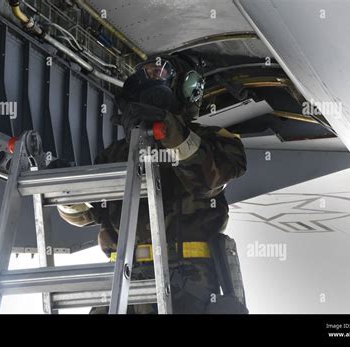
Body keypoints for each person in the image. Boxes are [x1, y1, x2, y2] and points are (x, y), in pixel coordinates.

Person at [57, 54, 248, 314]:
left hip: (189, 285)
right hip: (123, 287)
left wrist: (169, 131)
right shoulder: (115, 154)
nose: (153, 78)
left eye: (161, 73)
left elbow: (207, 180)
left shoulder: (215, 139)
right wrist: (65, 192)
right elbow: (86, 214)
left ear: (187, 87)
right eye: (148, 72)